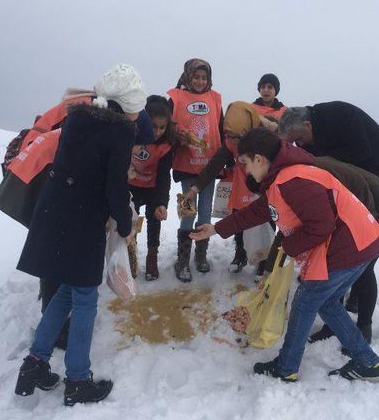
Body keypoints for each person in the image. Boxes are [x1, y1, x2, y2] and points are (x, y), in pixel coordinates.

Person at [191, 128, 379, 382]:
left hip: (349, 247)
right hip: (361, 243)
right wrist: (217, 228)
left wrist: (288, 249)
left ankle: (286, 367)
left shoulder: (292, 180)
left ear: (259, 159)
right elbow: (261, 210)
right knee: (325, 302)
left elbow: (321, 225)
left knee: (305, 302)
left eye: (246, 163)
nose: (246, 171)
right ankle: (368, 363)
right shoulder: (283, 178)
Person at [14, 64, 146, 406]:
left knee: (65, 295)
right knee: (86, 299)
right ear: (126, 105)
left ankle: (33, 366)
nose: (138, 114)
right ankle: (77, 380)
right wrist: (126, 224)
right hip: (81, 222)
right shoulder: (120, 133)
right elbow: (114, 187)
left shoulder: (77, 118)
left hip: (53, 213)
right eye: (136, 106)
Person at [279, 102, 379, 339]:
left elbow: (359, 155)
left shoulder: (340, 118)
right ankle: (339, 317)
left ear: (307, 124)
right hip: (363, 195)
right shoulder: (317, 134)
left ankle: (363, 328)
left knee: (364, 262)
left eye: (300, 139)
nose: (300, 145)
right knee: (344, 260)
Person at [181, 102, 276, 274]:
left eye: (236, 137)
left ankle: (264, 262)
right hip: (241, 189)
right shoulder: (231, 142)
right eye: (229, 136)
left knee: (265, 224)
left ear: (249, 131)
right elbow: (214, 166)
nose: (232, 141)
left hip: (263, 190)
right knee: (239, 222)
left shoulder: (267, 140)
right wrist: (194, 189)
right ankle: (240, 255)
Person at [168, 58, 223, 282]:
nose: (200, 81)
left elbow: (221, 128)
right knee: (188, 212)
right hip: (186, 164)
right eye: (196, 77)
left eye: (204, 77)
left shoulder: (216, 98)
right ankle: (182, 260)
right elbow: (165, 128)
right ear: (188, 76)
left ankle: (201, 255)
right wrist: (176, 136)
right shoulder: (175, 97)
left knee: (206, 211)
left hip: (209, 167)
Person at [128, 95, 175, 281]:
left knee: (154, 220)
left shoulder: (166, 145)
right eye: (154, 126)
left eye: (162, 128)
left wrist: (161, 202)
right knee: (130, 222)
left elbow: (164, 175)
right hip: (130, 186)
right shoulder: (132, 136)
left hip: (153, 187)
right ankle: (130, 257)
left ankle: (152, 257)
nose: (157, 131)